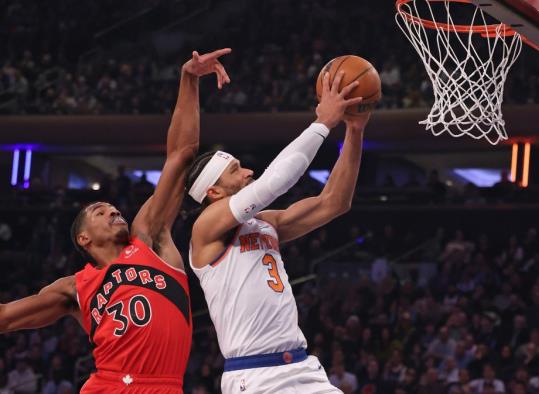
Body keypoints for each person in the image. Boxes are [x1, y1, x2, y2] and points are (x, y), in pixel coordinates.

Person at [0, 48, 232, 393]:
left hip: (164, 386)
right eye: (99, 211)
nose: (112, 211)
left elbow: (181, 156)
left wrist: (189, 79)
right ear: (84, 240)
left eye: (112, 207)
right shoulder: (73, 288)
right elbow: (5, 317)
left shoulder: (148, 237)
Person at [185, 71, 369, 393]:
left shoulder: (266, 223)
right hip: (254, 374)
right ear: (212, 192)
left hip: (301, 366)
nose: (248, 172)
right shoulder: (206, 229)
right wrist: (323, 123)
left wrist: (355, 130)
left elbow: (334, 203)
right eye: (235, 170)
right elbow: (274, 182)